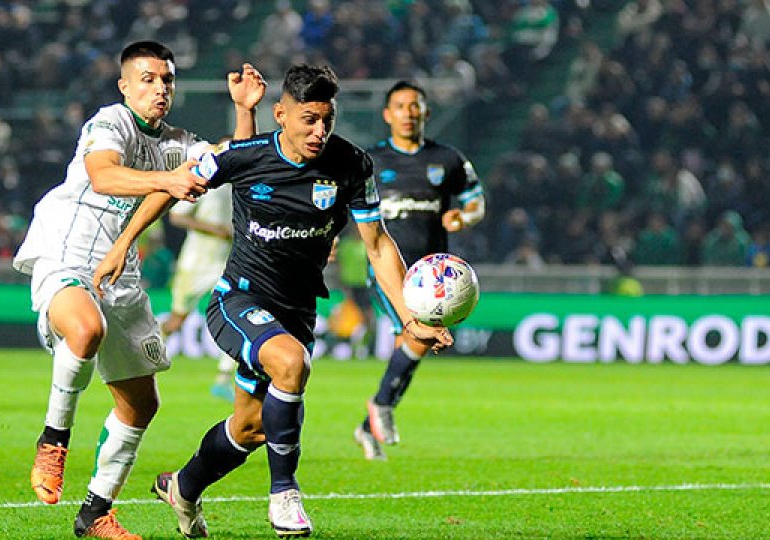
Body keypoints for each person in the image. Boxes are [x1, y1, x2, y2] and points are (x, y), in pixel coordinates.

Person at [92, 64, 453, 539]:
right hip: (237, 300)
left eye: (327, 119)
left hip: (297, 310)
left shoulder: (352, 164)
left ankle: (184, 486)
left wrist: (410, 319)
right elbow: (175, 183)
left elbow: (378, 244)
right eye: (308, 120)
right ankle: (285, 494)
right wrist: (123, 243)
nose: (319, 131)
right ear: (280, 114)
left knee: (250, 428)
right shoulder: (245, 155)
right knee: (290, 363)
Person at [12, 41, 265, 539]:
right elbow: (103, 176)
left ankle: (95, 513)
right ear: (125, 85)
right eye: (147, 79)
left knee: (140, 404)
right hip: (68, 250)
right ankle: (53, 438)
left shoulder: (177, 142)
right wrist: (169, 180)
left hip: (121, 268)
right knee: (85, 330)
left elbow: (233, 163)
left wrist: (243, 112)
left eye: (166, 80)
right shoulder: (110, 123)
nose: (159, 89)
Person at [354, 80, 485, 461]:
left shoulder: (448, 160)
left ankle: (370, 421)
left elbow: (477, 202)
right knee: (419, 336)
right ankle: (380, 406)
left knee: (412, 345)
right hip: (389, 271)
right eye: (400, 106)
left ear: (426, 112)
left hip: (434, 278)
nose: (408, 113)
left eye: (415, 106)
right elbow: (345, 206)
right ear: (387, 114)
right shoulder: (371, 161)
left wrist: (465, 216)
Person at [161, 181, 238, 401]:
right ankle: (145, 357)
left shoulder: (244, 181)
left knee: (234, 316)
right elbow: (177, 216)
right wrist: (215, 230)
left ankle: (223, 379)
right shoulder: (208, 180)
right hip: (195, 264)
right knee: (176, 321)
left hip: (226, 262)